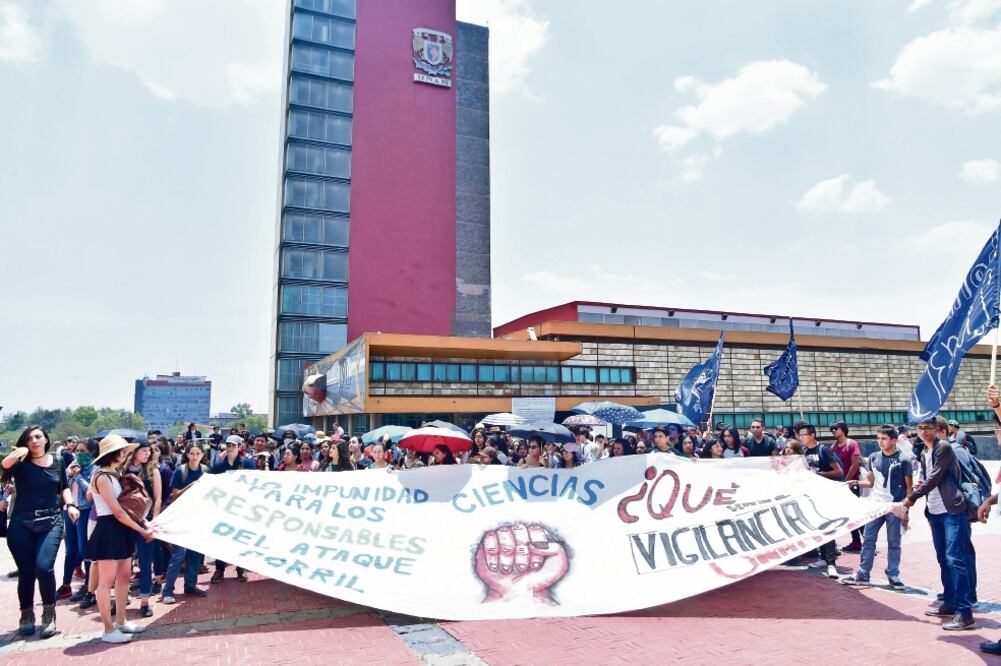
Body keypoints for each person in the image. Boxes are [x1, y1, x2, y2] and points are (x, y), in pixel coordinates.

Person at [2, 426, 81, 638]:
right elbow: (3, 467)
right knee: (26, 572)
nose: (34, 441)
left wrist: (71, 504)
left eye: (38, 437)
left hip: (51, 520)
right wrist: (15, 454)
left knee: (43, 567)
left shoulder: (58, 461)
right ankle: (26, 614)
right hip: (21, 523)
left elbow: (63, 486)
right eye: (29, 438)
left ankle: (49, 613)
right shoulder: (20, 464)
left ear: (46, 439)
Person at [902, 415, 975, 631]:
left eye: (928, 427)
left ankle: (965, 612)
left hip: (952, 510)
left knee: (955, 559)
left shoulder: (943, 447)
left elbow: (935, 478)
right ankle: (950, 602)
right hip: (934, 512)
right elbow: (930, 480)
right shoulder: (925, 452)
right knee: (943, 558)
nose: (924, 431)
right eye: (920, 428)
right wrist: (920, 485)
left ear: (937, 429)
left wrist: (911, 497)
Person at [89, 435, 152, 643]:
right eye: (122, 450)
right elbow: (116, 512)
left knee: (124, 576)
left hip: (121, 528)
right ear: (113, 454)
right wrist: (141, 530)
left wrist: (141, 525)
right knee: (106, 582)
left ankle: (121, 621)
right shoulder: (102, 477)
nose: (125, 453)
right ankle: (108, 630)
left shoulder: (114, 474)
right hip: (109, 529)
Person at [840, 425, 912, 589]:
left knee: (894, 542)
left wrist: (906, 509)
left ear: (894, 440)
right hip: (875, 505)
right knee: (869, 540)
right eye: (878, 438)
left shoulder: (904, 460)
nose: (880, 441)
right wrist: (856, 482)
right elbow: (870, 482)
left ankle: (893, 574)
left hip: (894, 506)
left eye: (884, 438)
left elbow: (909, 487)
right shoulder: (873, 457)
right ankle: (863, 573)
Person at [161, 444, 209, 605]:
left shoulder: (206, 471)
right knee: (178, 555)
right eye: (192, 453)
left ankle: (190, 585)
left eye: (198, 453)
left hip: (199, 517)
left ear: (202, 455)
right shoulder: (180, 471)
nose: (195, 456)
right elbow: (174, 495)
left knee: (195, 555)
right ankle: (167, 590)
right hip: (181, 518)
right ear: (187, 455)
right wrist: (191, 486)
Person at [122, 440, 163, 618]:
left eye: (149, 451)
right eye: (144, 451)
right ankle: (121, 598)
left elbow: (158, 499)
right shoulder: (121, 470)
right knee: (123, 563)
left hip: (145, 524)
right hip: (123, 523)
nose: (147, 454)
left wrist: (152, 521)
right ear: (135, 452)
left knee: (145, 562)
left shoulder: (153, 471)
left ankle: (145, 601)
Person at [796, 422, 842, 578]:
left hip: (826, 494)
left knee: (827, 527)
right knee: (817, 528)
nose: (801, 438)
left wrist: (819, 475)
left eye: (804, 435)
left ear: (812, 435)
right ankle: (823, 558)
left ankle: (831, 563)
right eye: (799, 435)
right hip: (811, 496)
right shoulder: (803, 452)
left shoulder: (823, 450)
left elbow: (838, 471)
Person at [208, 436, 248, 584]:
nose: (230, 447)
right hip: (223, 509)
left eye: (233, 445)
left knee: (241, 539)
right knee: (221, 539)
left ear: (239, 447)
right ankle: (219, 569)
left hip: (242, 508)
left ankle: (241, 569)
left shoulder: (247, 464)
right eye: (228, 445)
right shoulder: (218, 466)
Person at [830, 420, 863, 552]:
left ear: (843, 429)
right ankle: (856, 540)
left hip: (852, 484)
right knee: (848, 514)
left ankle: (866, 539)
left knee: (855, 513)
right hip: (840, 485)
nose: (833, 431)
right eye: (831, 429)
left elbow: (855, 465)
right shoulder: (833, 447)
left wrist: (846, 481)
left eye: (835, 428)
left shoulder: (852, 444)